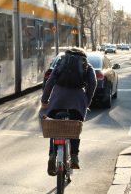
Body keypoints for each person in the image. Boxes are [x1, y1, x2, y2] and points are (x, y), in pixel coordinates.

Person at [41, 47, 97, 176]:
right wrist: (86, 101)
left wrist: (45, 99)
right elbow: (93, 83)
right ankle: (74, 156)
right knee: (75, 129)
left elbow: (50, 82)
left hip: (57, 101)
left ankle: (52, 155)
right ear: (83, 56)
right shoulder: (86, 65)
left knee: (55, 128)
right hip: (77, 103)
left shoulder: (61, 63)